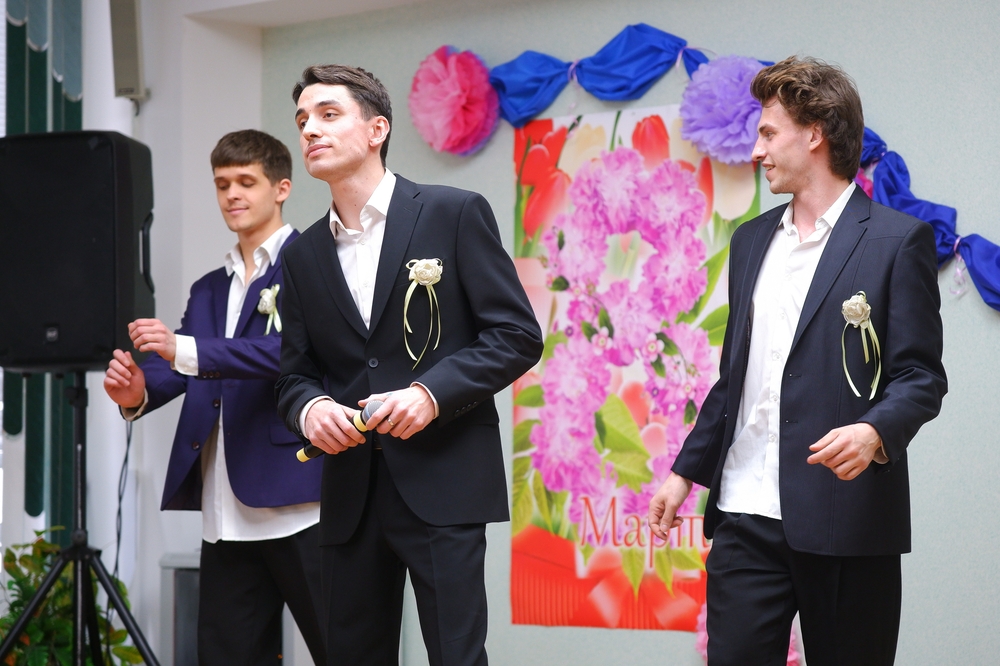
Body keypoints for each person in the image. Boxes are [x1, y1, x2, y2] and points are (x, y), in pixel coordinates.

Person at [648, 56, 947, 665]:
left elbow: (921, 377)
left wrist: (874, 432)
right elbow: (737, 378)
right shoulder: (750, 241)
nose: (757, 150)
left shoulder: (897, 241)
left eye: (768, 133)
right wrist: (685, 473)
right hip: (743, 514)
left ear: (814, 133)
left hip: (846, 515)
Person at [275, 64, 543, 666]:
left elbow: (517, 336)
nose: (310, 130)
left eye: (328, 114)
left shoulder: (453, 212)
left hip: (444, 480)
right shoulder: (303, 254)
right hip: (349, 494)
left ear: (377, 130)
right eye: (302, 120)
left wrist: (430, 394)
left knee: (456, 656)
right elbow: (292, 374)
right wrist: (310, 409)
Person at [103, 130, 325, 665]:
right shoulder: (208, 287)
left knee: (345, 650)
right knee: (226, 657)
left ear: (282, 188)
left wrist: (183, 348)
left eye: (246, 181)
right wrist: (138, 391)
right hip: (223, 510)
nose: (232, 194)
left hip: (299, 500)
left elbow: (285, 354)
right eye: (222, 184)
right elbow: (184, 368)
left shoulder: (313, 263)